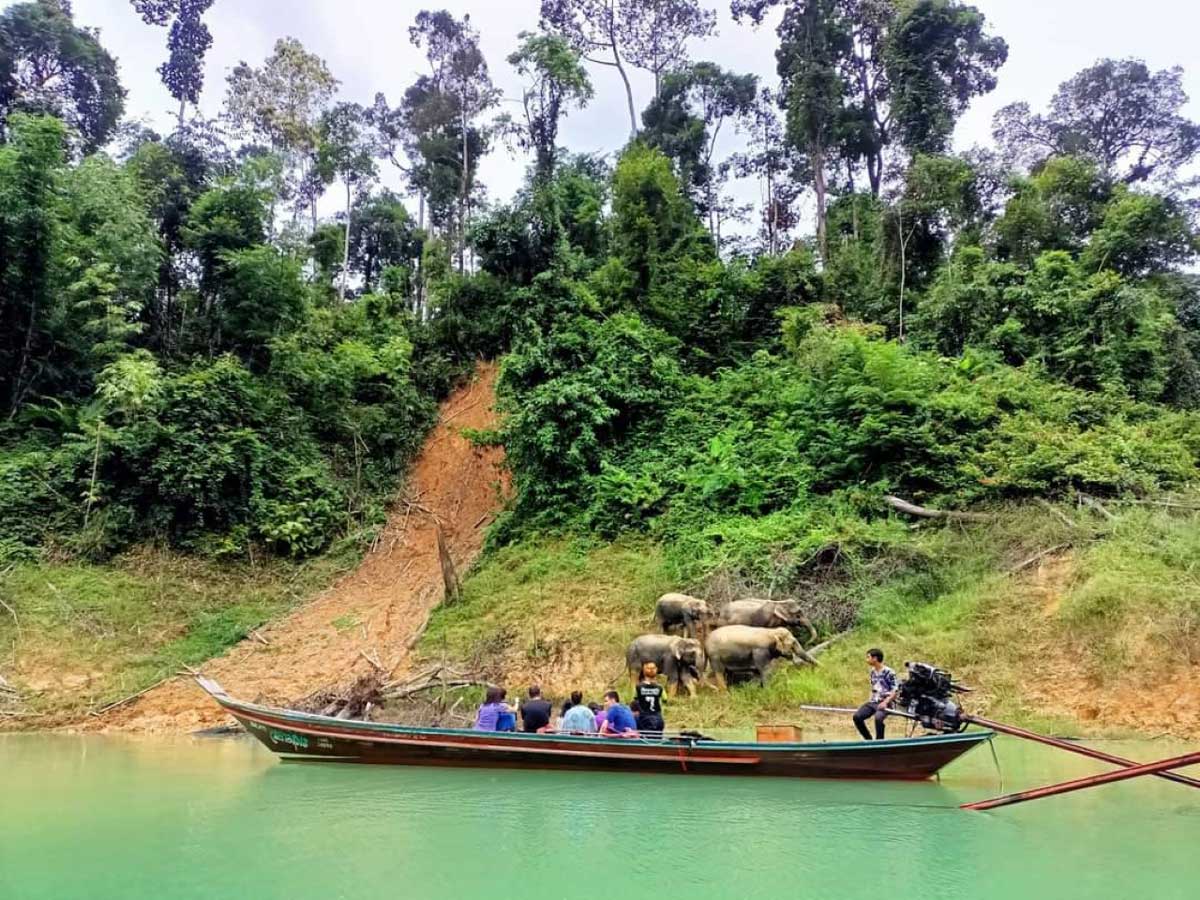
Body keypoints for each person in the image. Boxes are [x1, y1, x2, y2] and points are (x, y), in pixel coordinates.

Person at [853, 648, 898, 741]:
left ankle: (880, 741)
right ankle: (868, 740)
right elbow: (874, 687)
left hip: (886, 702)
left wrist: (886, 702)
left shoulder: (889, 672)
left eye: (868, 657)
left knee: (878, 718)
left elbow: (895, 690)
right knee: (857, 717)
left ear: (875, 658)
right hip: (874, 701)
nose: (867, 659)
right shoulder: (872, 672)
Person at [634, 661, 665, 734]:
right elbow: (665, 699)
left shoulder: (638, 687)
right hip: (658, 719)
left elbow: (634, 700)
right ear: (656, 670)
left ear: (644, 671)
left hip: (644, 719)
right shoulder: (660, 687)